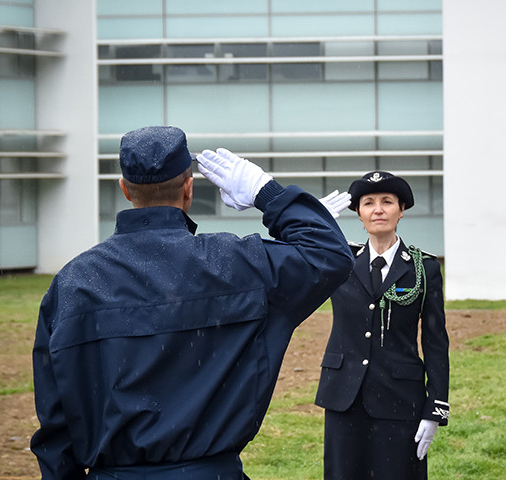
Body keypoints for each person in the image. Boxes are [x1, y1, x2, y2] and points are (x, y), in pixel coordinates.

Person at [30, 126, 354, 480]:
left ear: (124, 189)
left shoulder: (73, 282)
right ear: (189, 188)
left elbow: (55, 423)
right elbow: (328, 254)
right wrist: (266, 193)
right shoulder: (236, 264)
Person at [314, 171, 450, 480]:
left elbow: (435, 342)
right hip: (343, 397)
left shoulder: (424, 268)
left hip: (400, 398)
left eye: (387, 202)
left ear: (401, 210)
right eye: (368, 203)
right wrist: (313, 219)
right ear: (358, 213)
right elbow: (295, 252)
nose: (378, 210)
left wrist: (435, 407)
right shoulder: (340, 260)